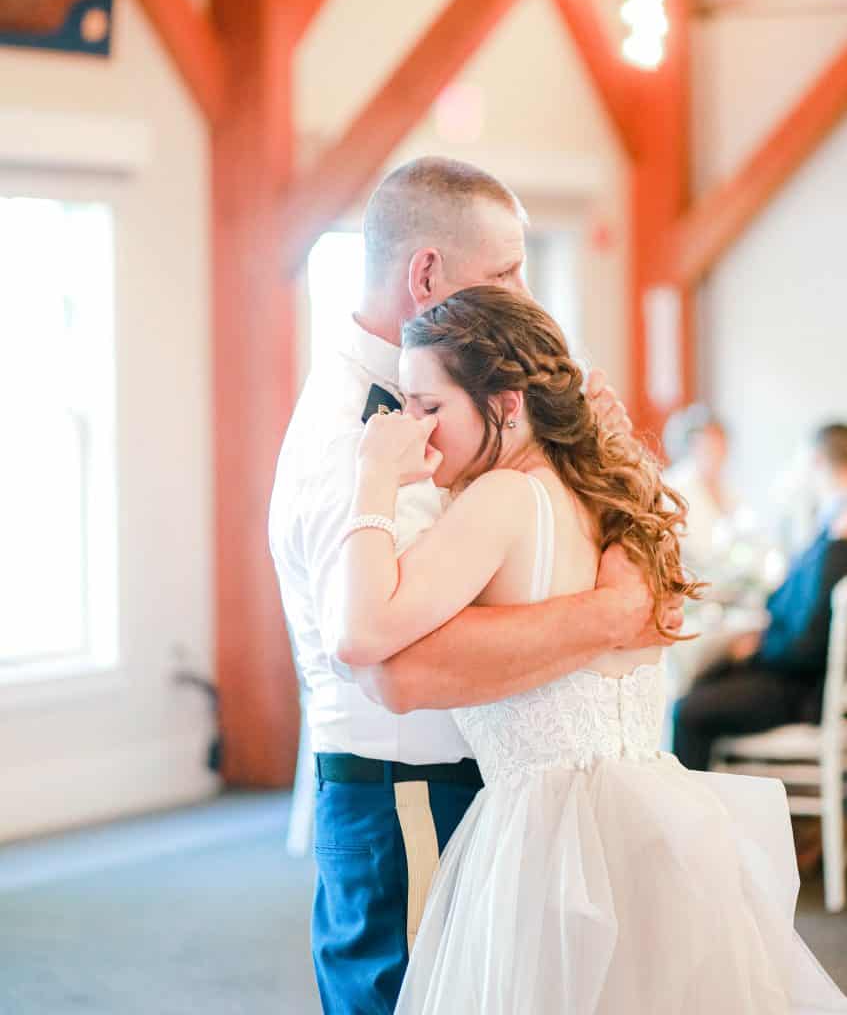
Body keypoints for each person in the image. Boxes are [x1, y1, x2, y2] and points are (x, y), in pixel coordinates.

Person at [331, 286, 847, 1014]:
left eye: (428, 407)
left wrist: (372, 479)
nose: (413, 429)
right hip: (651, 821)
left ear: (506, 404)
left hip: (547, 838)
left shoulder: (504, 501)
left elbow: (359, 635)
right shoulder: (610, 498)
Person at [269, 157, 682, 1015]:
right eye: (505, 271)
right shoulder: (359, 435)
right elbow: (398, 666)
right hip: (401, 785)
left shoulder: (471, 426)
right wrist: (608, 613)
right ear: (425, 274)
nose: (527, 294)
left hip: (491, 777)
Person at [673, 423, 847, 772]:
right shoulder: (830, 524)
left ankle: (696, 818)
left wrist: (759, 647)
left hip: (800, 687)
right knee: (705, 675)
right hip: (791, 667)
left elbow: (810, 640)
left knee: (688, 711)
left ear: (815, 462)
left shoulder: (839, 536)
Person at [663, 404, 739, 571]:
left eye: (721, 446)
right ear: (691, 446)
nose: (717, 453)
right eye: (709, 446)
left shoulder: (727, 488)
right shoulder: (673, 487)